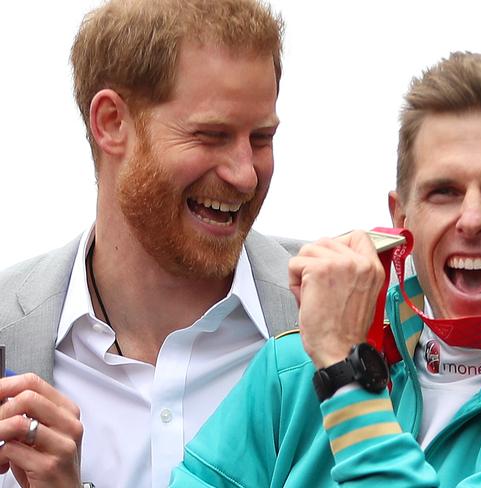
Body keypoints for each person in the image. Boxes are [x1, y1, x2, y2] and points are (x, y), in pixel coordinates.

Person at [171, 52, 481, 487]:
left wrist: (345, 374)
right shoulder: (291, 370)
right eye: (443, 191)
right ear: (402, 220)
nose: (472, 219)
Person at [0, 0, 299, 486]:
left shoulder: (364, 317)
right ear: (112, 123)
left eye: (261, 138)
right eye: (211, 135)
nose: (245, 174)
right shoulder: (8, 327)